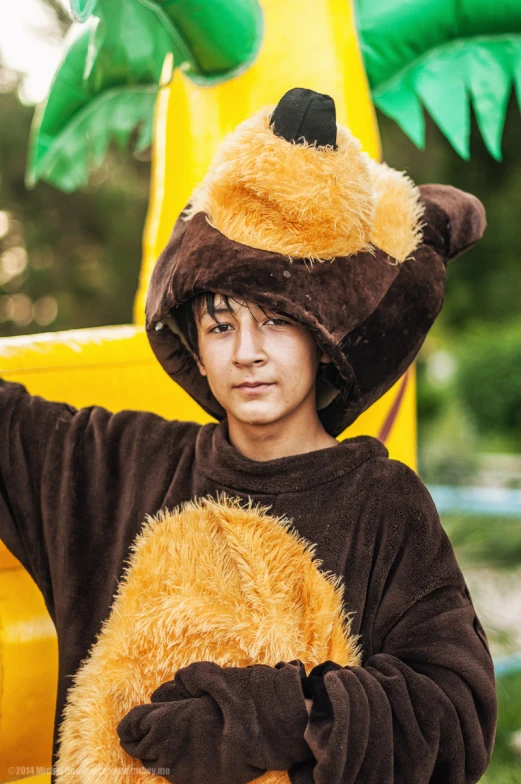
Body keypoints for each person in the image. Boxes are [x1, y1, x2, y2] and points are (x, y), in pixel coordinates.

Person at [0, 87, 497, 784]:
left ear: (322, 336)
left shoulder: (381, 504)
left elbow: (453, 713)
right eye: (221, 323)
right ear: (193, 341)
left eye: (276, 320)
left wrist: (274, 718)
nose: (247, 352)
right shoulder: (116, 469)